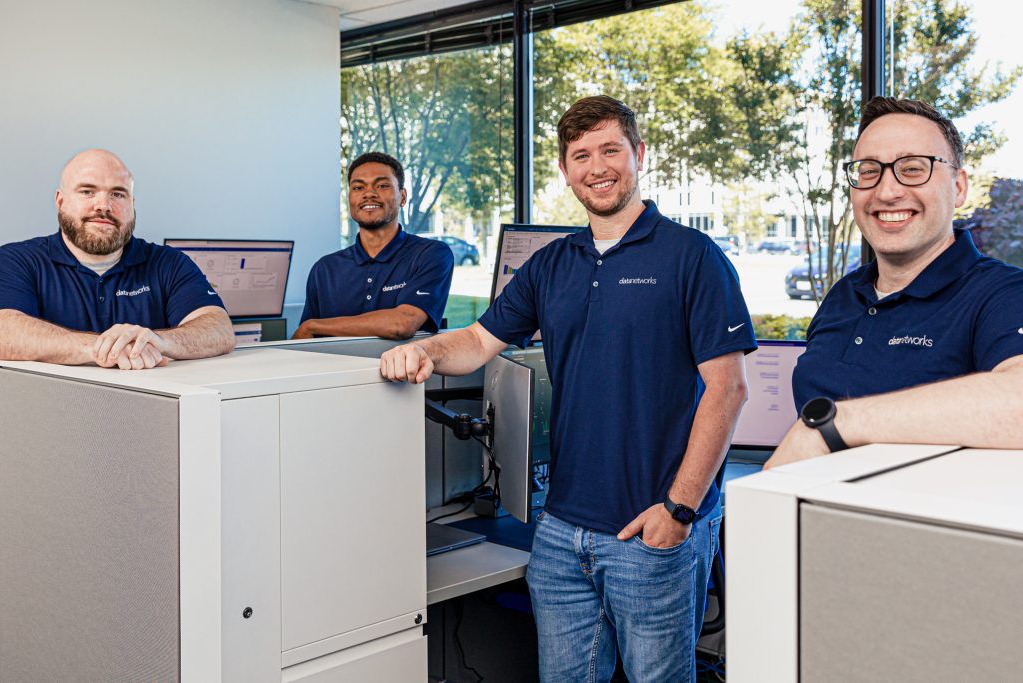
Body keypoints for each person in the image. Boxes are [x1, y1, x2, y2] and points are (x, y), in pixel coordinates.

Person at [380, 96, 755, 681]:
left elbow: (727, 391)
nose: (596, 167)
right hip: (560, 533)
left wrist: (679, 511)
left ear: (638, 155)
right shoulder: (553, 264)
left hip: (651, 529)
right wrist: (422, 349)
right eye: (581, 155)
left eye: (610, 150)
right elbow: (478, 342)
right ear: (565, 169)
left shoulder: (692, 257)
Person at [766, 97, 1023, 469]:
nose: (887, 192)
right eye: (869, 171)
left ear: (959, 187)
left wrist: (832, 426)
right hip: (807, 521)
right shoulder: (843, 296)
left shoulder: (1002, 294)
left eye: (913, 169)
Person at [0, 149, 235, 370]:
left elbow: (219, 329)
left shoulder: (170, 264)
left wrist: (158, 341)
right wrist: (103, 347)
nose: (104, 206)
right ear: (60, 201)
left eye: (118, 194)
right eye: (87, 191)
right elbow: (4, 331)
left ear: (132, 205)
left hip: (155, 408)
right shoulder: (17, 261)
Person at [292, 152, 454, 340]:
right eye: (358, 187)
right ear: (350, 199)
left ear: (402, 196)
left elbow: (403, 323)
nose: (369, 193)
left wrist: (313, 326)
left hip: (403, 370)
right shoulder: (325, 269)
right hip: (338, 370)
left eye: (382, 185)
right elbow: (306, 346)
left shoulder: (431, 255)